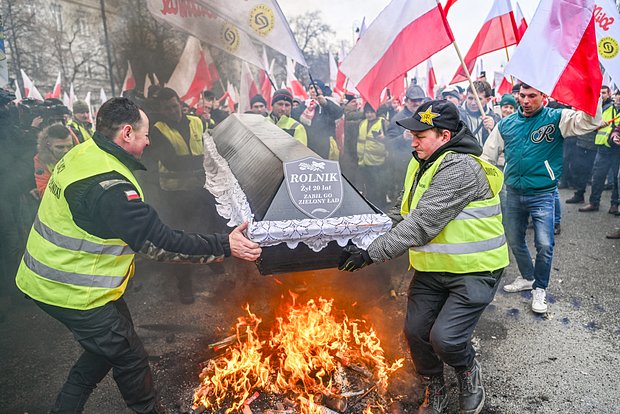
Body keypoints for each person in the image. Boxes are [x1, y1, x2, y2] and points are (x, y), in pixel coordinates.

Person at [14, 97, 261, 413]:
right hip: (69, 289)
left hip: (59, 279)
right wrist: (225, 245)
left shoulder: (85, 152)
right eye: (145, 134)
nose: (149, 140)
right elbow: (160, 243)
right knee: (129, 356)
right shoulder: (109, 187)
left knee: (107, 349)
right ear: (127, 133)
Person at [339, 100, 508, 414]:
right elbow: (404, 212)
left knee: (445, 339)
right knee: (415, 332)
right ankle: (434, 385)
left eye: (420, 134)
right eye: (412, 133)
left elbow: (422, 223)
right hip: (433, 269)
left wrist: (370, 253)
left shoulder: (460, 167)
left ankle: (468, 370)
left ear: (444, 136)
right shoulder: (422, 161)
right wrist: (364, 230)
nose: (412, 140)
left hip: (475, 269)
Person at [482, 83, 603, 314]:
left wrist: (592, 90)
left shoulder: (557, 118)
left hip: (543, 194)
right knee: (515, 240)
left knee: (545, 244)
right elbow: (487, 156)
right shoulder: (506, 124)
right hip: (513, 193)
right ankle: (528, 277)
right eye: (522, 96)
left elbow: (591, 122)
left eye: (532, 96)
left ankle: (540, 288)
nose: (525, 101)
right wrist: (488, 185)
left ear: (543, 96)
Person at [145, 87, 227, 304]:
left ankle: (212, 258)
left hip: (200, 188)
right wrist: (204, 161)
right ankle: (184, 284)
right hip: (174, 194)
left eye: (174, 106)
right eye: (167, 109)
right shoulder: (157, 130)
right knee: (179, 238)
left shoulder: (197, 121)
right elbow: (172, 160)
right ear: (161, 111)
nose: (173, 111)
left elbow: (212, 145)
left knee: (208, 227)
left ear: (180, 103)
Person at [578, 85, 620, 214]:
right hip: (603, 147)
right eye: (600, 93)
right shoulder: (602, 108)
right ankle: (594, 202)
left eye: (604, 93)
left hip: (616, 149)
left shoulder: (613, 108)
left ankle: (614, 204)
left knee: (616, 179)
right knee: (597, 176)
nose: (601, 95)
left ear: (610, 94)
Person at [385, 84, 427, 202]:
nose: (417, 103)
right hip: (404, 167)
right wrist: (402, 138)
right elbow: (388, 144)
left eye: (420, 100)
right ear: (407, 101)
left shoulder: (426, 117)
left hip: (423, 165)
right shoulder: (398, 119)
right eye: (414, 100)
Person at [293, 79, 343, 159]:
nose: (313, 90)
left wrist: (325, 104)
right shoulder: (305, 105)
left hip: (325, 146)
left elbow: (338, 113)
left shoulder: (328, 103)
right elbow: (294, 115)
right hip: (308, 145)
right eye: (311, 88)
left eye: (316, 88)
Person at [356, 103, 388, 208]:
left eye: (371, 112)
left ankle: (381, 207)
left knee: (379, 187)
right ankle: (371, 206)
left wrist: (384, 139)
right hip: (364, 161)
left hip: (379, 162)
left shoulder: (383, 123)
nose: (369, 115)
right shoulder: (362, 123)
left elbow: (390, 140)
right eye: (367, 112)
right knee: (369, 187)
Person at [34, 124, 74, 197]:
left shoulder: (79, 152)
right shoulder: (41, 160)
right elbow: (44, 191)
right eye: (60, 147)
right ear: (49, 145)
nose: (66, 151)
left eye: (69, 146)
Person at [458, 80, 499, 146]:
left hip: (484, 155)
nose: (473, 103)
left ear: (488, 100)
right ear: (466, 97)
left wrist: (494, 127)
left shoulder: (495, 118)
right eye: (470, 98)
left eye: (478, 99)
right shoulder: (457, 114)